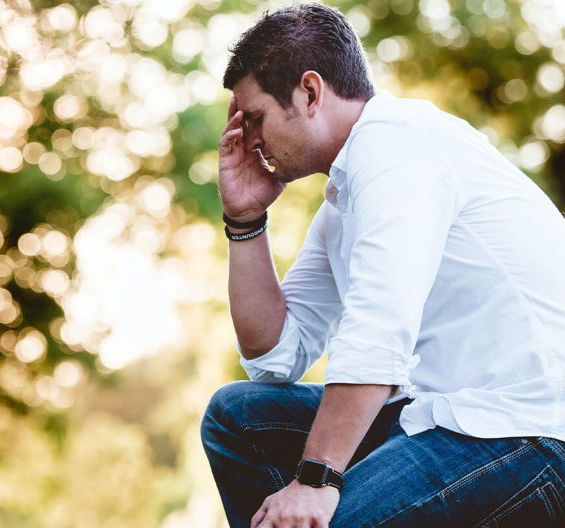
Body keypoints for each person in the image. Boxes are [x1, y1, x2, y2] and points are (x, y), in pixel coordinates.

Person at [200, 3, 565, 527]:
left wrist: (316, 480)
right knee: (239, 417)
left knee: (328, 513)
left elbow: (380, 324)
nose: (249, 140)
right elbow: (276, 357)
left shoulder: (397, 142)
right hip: (444, 417)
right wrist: (245, 219)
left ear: (309, 92)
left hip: (527, 429)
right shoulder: (343, 200)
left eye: (254, 117)